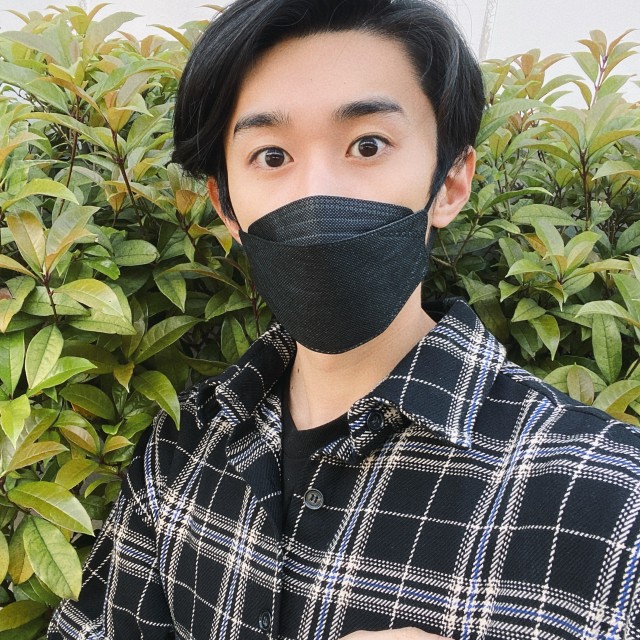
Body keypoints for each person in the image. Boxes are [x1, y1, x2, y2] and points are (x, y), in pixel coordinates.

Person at [48, 0, 640, 638]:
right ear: (227, 208)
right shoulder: (181, 448)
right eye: (271, 156)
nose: (315, 193)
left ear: (449, 183)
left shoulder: (612, 501)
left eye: (367, 145)